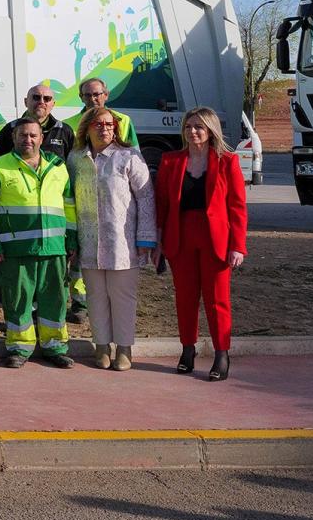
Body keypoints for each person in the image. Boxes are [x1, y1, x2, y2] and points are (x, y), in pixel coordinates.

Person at [155, 106, 247, 382]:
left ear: (210, 131)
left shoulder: (227, 161)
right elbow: (161, 205)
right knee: (185, 298)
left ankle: (221, 354)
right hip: (180, 237)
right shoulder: (171, 161)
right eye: (188, 127)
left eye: (199, 127)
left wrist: (237, 245)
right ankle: (187, 350)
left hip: (216, 240)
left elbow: (237, 207)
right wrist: (158, 240)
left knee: (217, 300)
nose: (192, 132)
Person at [0, 119, 78, 369]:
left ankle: (54, 346)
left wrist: (72, 238)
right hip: (16, 249)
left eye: (33, 135)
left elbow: (69, 206)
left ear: (41, 138)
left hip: (54, 248)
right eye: (23, 135)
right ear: (13, 137)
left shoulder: (59, 167)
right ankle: (19, 348)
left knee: (54, 299)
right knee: (18, 300)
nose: (28, 140)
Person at [68, 107, 156, 371]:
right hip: (88, 241)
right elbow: (68, 198)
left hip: (123, 242)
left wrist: (146, 238)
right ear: (87, 127)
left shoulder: (129, 157)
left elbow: (146, 199)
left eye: (110, 124)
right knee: (95, 296)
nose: (105, 128)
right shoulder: (75, 159)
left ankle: (124, 347)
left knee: (122, 297)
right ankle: (102, 345)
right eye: (98, 124)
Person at [0, 83, 77, 299]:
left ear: (53, 104)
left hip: (52, 228)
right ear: (25, 102)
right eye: (36, 97)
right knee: (19, 287)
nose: (41, 102)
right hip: (18, 229)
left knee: (50, 287)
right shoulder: (8, 130)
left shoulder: (64, 131)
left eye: (47, 98)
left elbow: (71, 173)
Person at [65, 78, 137, 149]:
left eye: (96, 94)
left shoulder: (124, 120)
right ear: (81, 97)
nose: (92, 99)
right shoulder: (67, 124)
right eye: (87, 95)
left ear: (106, 95)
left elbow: (134, 152)